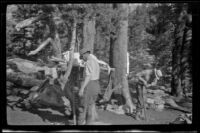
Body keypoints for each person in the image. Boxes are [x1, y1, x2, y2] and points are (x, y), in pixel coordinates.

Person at [77, 47, 101, 125]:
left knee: (82, 107)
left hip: (89, 85)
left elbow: (88, 76)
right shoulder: (95, 61)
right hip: (96, 84)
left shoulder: (89, 62)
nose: (82, 59)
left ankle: (80, 124)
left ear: (85, 54)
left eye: (82, 57)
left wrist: (82, 88)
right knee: (90, 107)